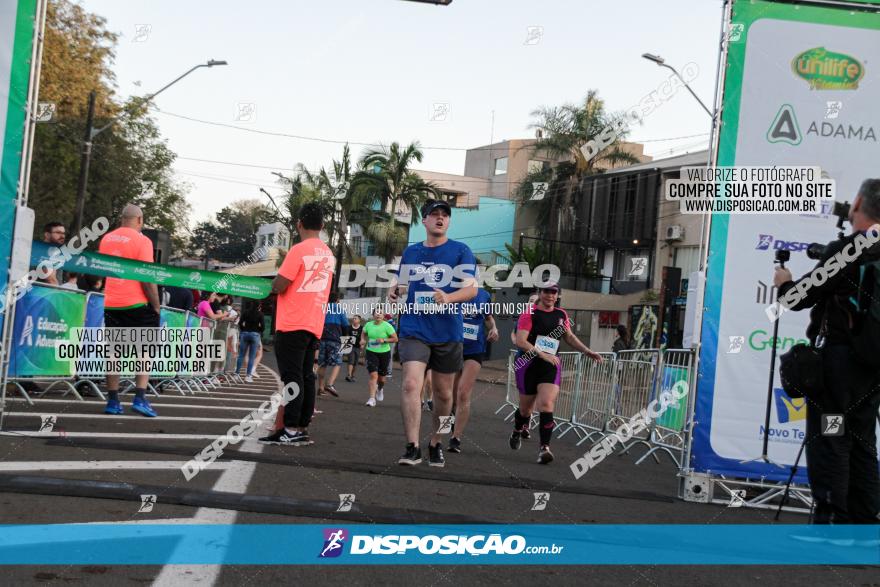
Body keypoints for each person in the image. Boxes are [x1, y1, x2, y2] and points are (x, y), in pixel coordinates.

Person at [773, 178, 880, 524]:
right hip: (872, 368)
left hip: (840, 364)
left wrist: (783, 282)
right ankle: (864, 523)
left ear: (859, 203)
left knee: (831, 436)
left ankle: (832, 523)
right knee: (862, 441)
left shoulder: (849, 249)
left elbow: (798, 297)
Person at [387, 199, 478, 467]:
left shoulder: (461, 251)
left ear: (448, 222)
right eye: (434, 214)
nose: (440, 218)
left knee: (444, 395)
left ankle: (436, 441)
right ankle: (412, 446)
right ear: (424, 221)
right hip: (415, 327)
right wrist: (394, 289)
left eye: (444, 215)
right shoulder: (412, 252)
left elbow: (471, 289)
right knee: (411, 384)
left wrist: (449, 298)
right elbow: (401, 282)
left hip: (448, 330)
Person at [259, 202, 334, 446]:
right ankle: (301, 426)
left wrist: (270, 287)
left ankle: (289, 428)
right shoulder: (328, 254)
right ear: (322, 226)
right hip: (314, 323)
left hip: (292, 322)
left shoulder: (298, 250)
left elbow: (281, 284)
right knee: (306, 376)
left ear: (299, 224)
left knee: (293, 378)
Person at [511, 283, 603, 464]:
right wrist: (542, 354)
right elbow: (521, 341)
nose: (550, 295)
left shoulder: (561, 315)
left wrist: (587, 351)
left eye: (554, 292)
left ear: (557, 295)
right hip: (527, 364)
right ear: (540, 293)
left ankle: (544, 448)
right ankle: (517, 430)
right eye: (546, 292)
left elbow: (568, 336)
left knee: (546, 404)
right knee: (525, 409)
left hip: (550, 365)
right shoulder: (529, 314)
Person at [97, 204, 162, 417]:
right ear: (140, 220)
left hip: (112, 302)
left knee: (114, 352)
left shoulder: (107, 238)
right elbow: (146, 276)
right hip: (137, 303)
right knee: (143, 352)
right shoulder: (143, 241)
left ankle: (113, 401)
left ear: (121, 219)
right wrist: (155, 303)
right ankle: (140, 397)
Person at [448, 287, 499, 453]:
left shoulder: (483, 295)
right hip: (452, 345)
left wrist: (494, 328)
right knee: (449, 395)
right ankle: (440, 434)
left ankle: (456, 438)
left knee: (463, 392)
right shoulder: (450, 289)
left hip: (475, 347)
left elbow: (489, 318)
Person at [361, 308, 397, 407]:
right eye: (376, 312)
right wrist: (363, 340)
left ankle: (380, 389)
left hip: (384, 353)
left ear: (383, 316)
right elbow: (363, 333)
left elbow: (395, 339)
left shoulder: (387, 326)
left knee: (381, 379)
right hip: (371, 352)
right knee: (373, 375)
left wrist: (384, 340)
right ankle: (372, 399)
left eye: (380, 313)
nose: (378, 314)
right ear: (373, 315)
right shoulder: (368, 324)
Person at [317, 292, 349, 397]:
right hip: (335, 339)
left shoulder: (322, 308)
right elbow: (345, 326)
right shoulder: (340, 309)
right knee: (337, 362)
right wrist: (346, 339)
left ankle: (321, 388)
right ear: (337, 300)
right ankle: (330, 384)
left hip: (321, 339)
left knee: (322, 363)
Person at [236, 300, 264, 382]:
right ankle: (248, 376)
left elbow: (240, 323)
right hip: (255, 335)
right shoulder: (260, 314)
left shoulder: (245, 312)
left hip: (245, 333)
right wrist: (257, 330)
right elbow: (263, 327)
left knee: (241, 355)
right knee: (252, 356)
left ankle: (236, 374)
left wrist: (244, 329)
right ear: (259, 306)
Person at [345, 315, 363, 382]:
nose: (354, 319)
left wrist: (362, 345)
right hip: (350, 346)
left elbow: (363, 338)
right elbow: (346, 336)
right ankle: (349, 375)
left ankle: (352, 375)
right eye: (353, 318)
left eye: (355, 318)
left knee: (355, 363)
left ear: (359, 320)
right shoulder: (349, 327)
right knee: (351, 361)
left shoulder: (362, 328)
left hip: (358, 347)